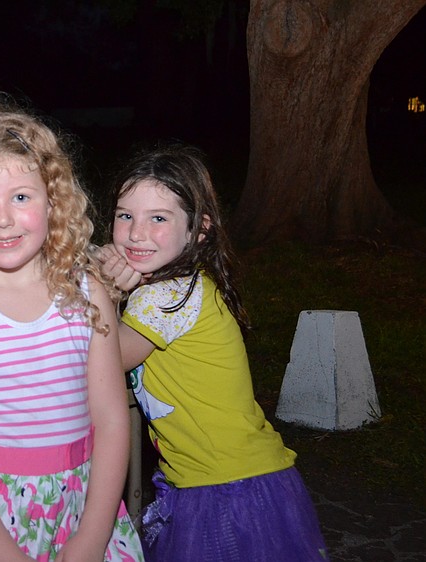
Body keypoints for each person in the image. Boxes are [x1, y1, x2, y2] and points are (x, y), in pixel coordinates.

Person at [0, 94, 145, 562]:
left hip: (83, 511)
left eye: (20, 196)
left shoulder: (86, 294)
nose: (2, 219)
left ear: (52, 200)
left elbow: (113, 422)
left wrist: (92, 539)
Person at [97, 143, 328, 561]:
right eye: (125, 215)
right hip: (245, 477)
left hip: (224, 488)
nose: (135, 233)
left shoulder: (167, 295)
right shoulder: (190, 281)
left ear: (199, 230)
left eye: (158, 218)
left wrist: (95, 284)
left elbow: (103, 358)